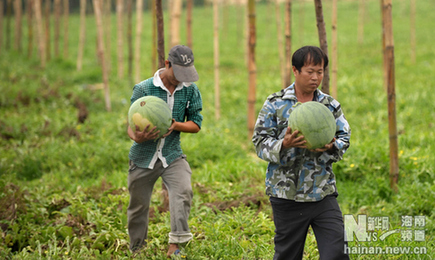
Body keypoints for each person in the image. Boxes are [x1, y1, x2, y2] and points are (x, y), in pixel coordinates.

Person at [252, 46, 351, 260]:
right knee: (288, 255)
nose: (316, 77)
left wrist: (332, 145)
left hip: (322, 192)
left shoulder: (329, 105)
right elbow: (259, 142)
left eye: (320, 72)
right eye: (310, 71)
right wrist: (284, 144)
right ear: (295, 71)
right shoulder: (275, 104)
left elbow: (345, 137)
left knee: (337, 252)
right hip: (286, 195)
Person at [126, 45, 203, 257]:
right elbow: (130, 127)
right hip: (143, 157)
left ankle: (175, 245)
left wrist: (175, 125)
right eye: (178, 74)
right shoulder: (143, 89)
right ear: (167, 64)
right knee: (138, 206)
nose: (181, 79)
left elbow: (196, 124)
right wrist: (138, 137)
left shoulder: (190, 90)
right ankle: (137, 249)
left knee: (183, 191)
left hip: (172, 154)